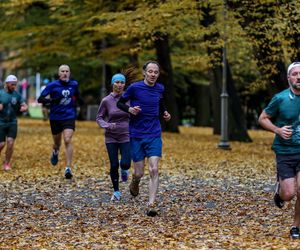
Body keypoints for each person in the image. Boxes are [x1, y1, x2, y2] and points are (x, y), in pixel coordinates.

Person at [117, 61, 171, 216]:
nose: (153, 74)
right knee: (139, 172)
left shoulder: (160, 88)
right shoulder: (135, 88)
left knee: (154, 169)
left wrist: (165, 113)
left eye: (156, 72)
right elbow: (120, 103)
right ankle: (135, 181)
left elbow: (161, 104)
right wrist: (130, 109)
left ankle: (151, 204)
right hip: (137, 135)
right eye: (150, 71)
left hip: (154, 133)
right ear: (144, 73)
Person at [258, 62, 300, 239]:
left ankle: (296, 227)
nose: (299, 77)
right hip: (285, 151)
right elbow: (263, 118)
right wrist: (277, 130)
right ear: (289, 77)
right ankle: (280, 194)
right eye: (295, 74)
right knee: (289, 194)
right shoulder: (280, 98)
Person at [38, 65, 80, 179]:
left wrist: (77, 106)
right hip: (55, 117)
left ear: (69, 73)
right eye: (62, 71)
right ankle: (55, 152)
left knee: (67, 139)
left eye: (67, 71)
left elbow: (77, 96)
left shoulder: (74, 84)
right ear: (59, 73)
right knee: (57, 143)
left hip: (69, 116)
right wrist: (52, 100)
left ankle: (68, 168)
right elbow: (40, 99)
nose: (65, 73)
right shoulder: (52, 85)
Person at [96, 73, 131, 201]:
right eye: (117, 82)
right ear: (112, 84)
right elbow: (99, 117)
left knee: (126, 163)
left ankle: (124, 169)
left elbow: (136, 113)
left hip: (126, 134)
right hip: (111, 136)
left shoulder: (128, 98)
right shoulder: (106, 100)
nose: (119, 85)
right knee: (114, 164)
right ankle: (116, 191)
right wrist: (107, 125)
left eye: (122, 82)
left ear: (124, 84)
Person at [0, 75, 28, 170]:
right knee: (1, 144)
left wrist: (24, 107)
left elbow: (24, 104)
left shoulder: (16, 94)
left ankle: (7, 163)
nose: (14, 86)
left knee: (10, 143)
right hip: (1, 122)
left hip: (12, 122)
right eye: (12, 84)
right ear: (7, 84)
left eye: (15, 85)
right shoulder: (1, 93)